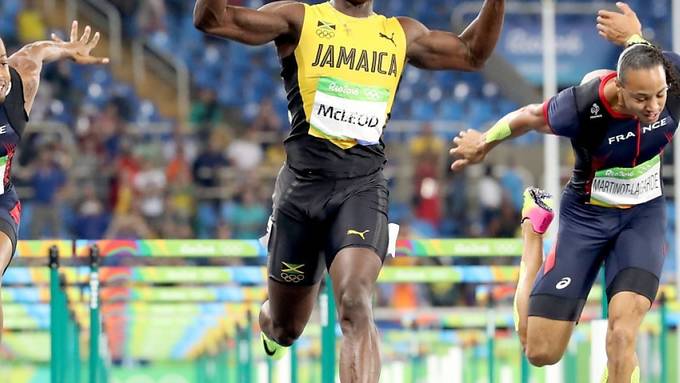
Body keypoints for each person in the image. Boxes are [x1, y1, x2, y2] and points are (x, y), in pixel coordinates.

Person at [193, 0, 505, 380]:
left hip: (362, 188)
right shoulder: (300, 19)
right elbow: (212, 19)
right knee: (286, 327)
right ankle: (270, 319)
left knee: (356, 302)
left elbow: (473, 53)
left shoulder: (399, 32)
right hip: (301, 192)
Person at [450, 3, 673, 382]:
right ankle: (533, 230)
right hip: (586, 217)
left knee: (622, 335)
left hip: (642, 216)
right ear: (619, 89)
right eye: (641, 99)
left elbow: (645, 59)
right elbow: (527, 117)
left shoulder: (673, 77)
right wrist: (484, 143)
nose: (653, 108)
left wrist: (636, 36)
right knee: (539, 351)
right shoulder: (583, 105)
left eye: (660, 96)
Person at [0, 21, 108, 341]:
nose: (2, 73)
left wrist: (67, 50)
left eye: (2, 61)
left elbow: (36, 52)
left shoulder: (21, 85)